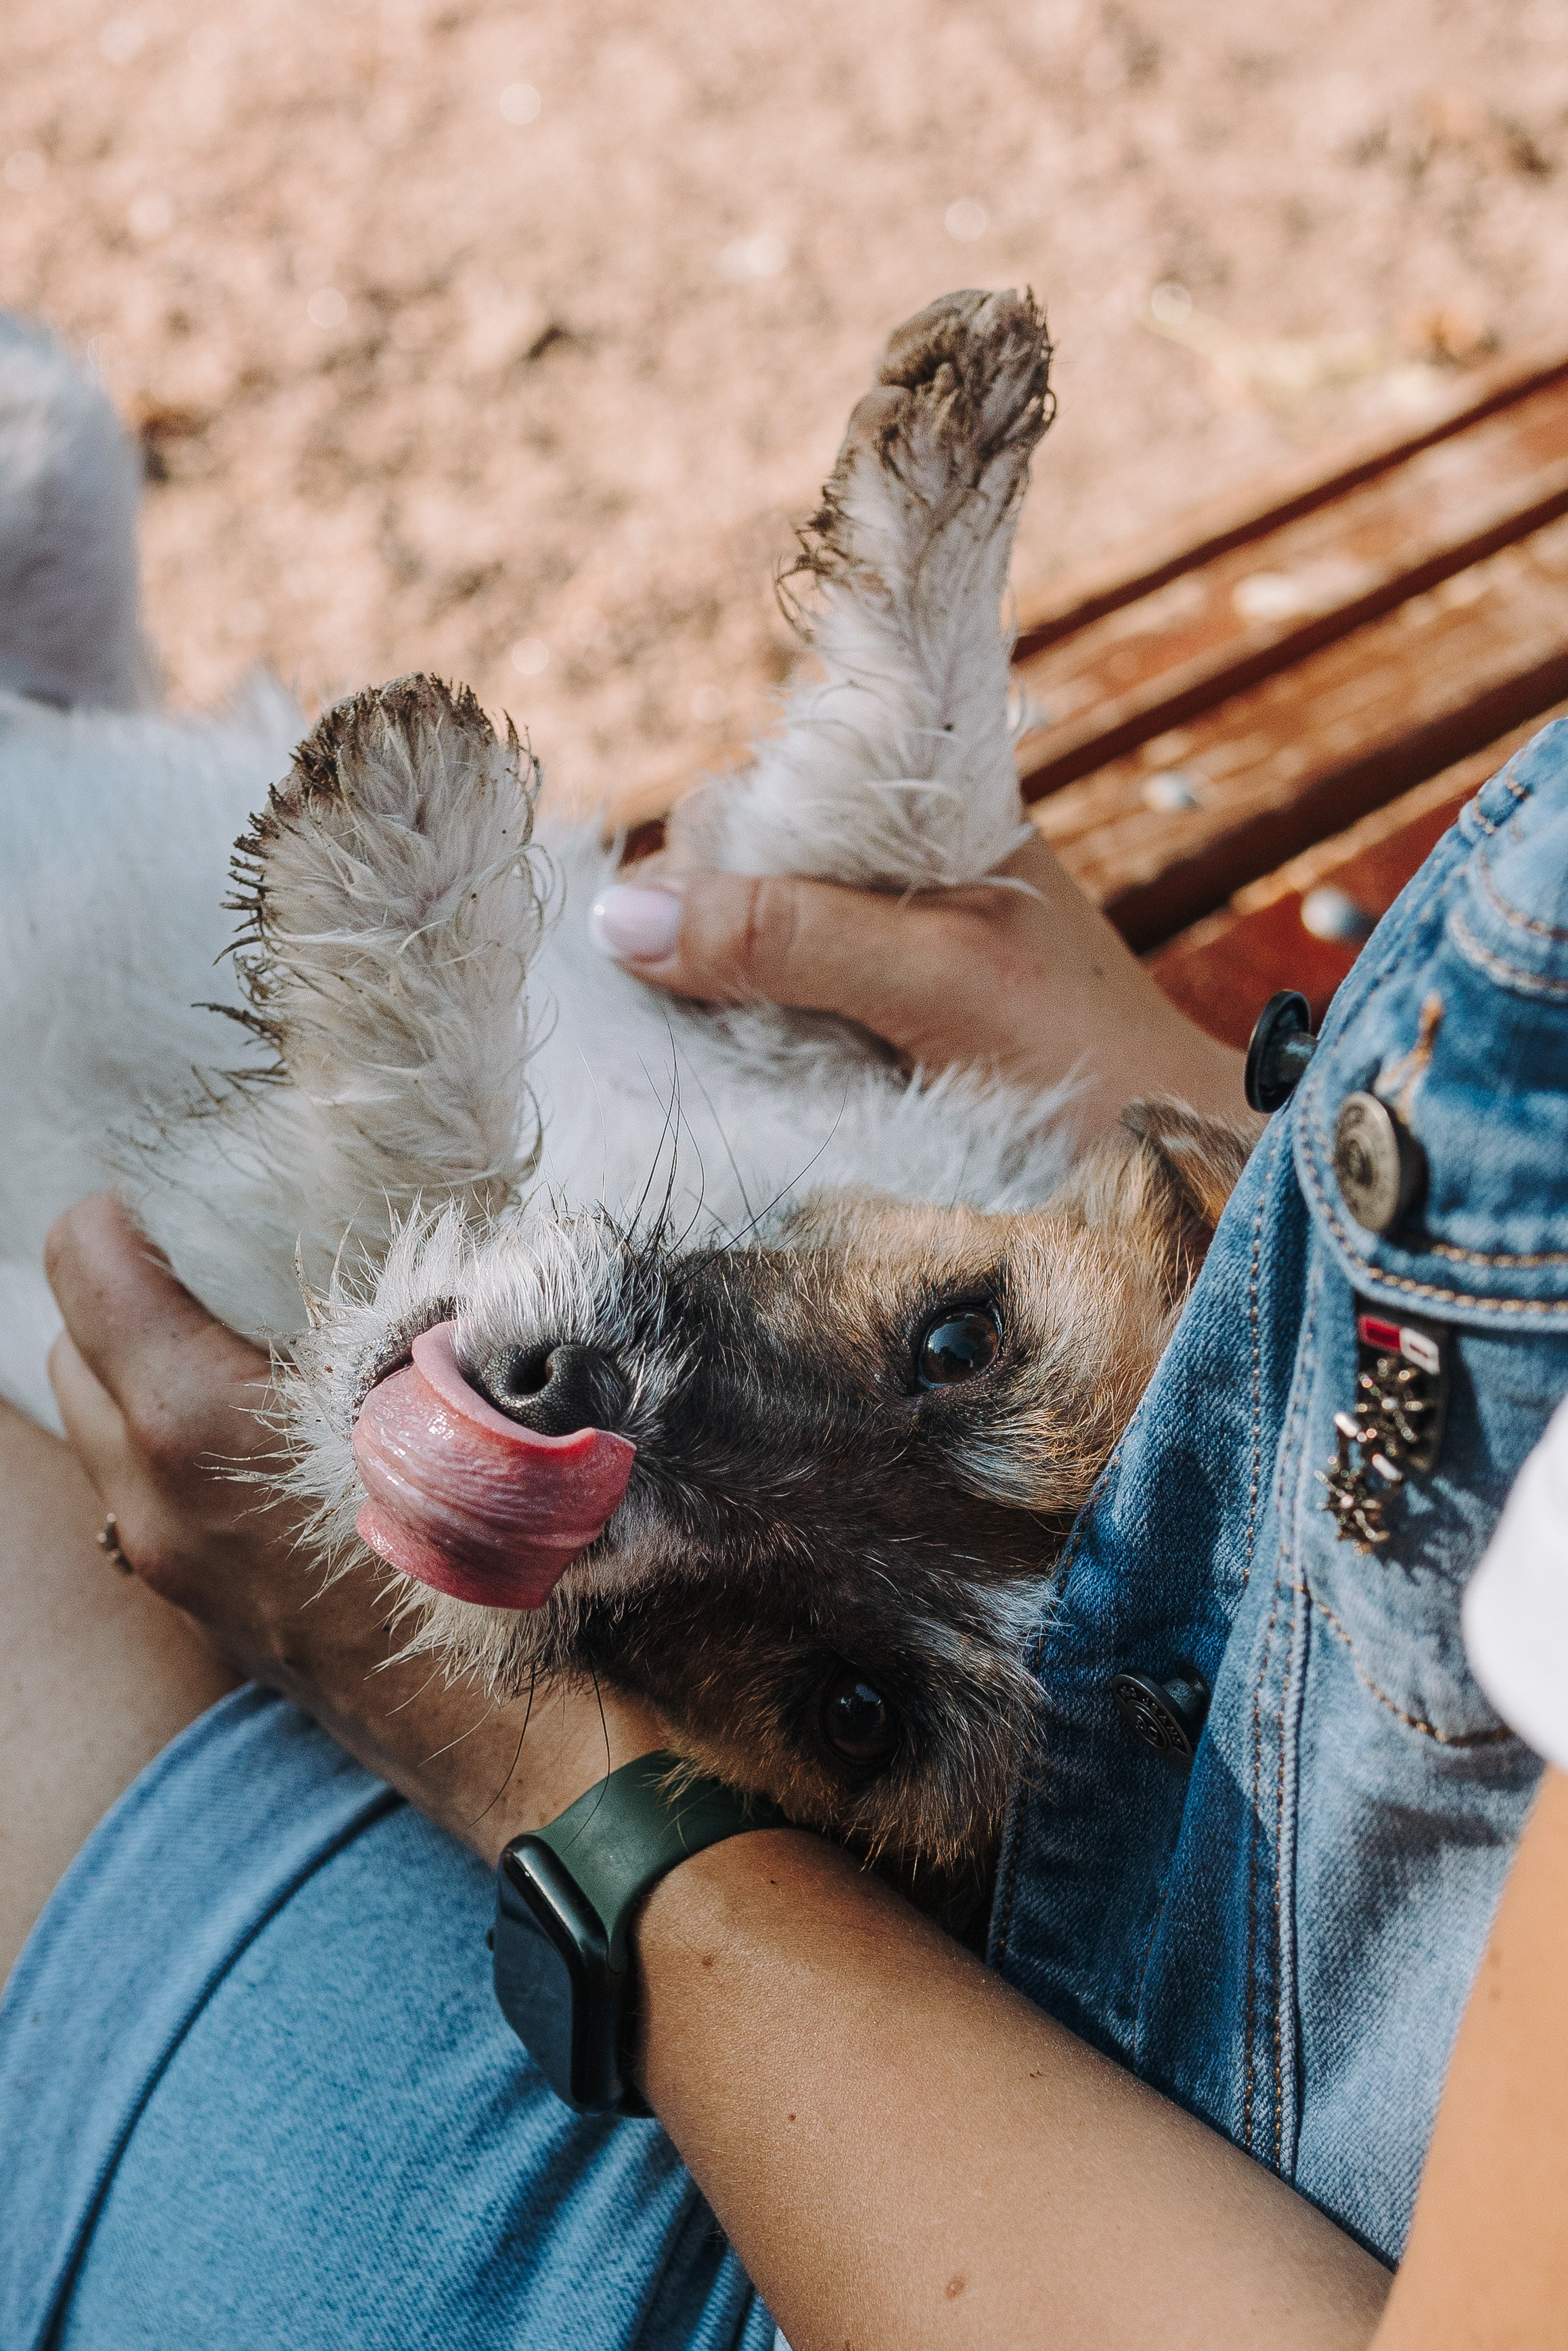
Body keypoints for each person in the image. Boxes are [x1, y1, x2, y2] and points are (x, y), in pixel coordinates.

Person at [3, 723, 1567, 2347]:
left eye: (856, 1714)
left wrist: (544, 1787)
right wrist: (1260, 1177)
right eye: (953, 1351)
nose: (652, 1484)